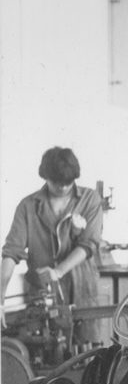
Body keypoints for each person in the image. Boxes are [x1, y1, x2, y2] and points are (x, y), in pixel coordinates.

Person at [2, 147, 105, 343]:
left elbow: (88, 244)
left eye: (68, 183)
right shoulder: (28, 206)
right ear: (45, 176)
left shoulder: (89, 200)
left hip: (82, 290)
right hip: (42, 296)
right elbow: (11, 252)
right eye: (57, 183)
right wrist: (0, 294)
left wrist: (58, 271)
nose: (64, 188)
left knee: (89, 352)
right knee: (46, 356)